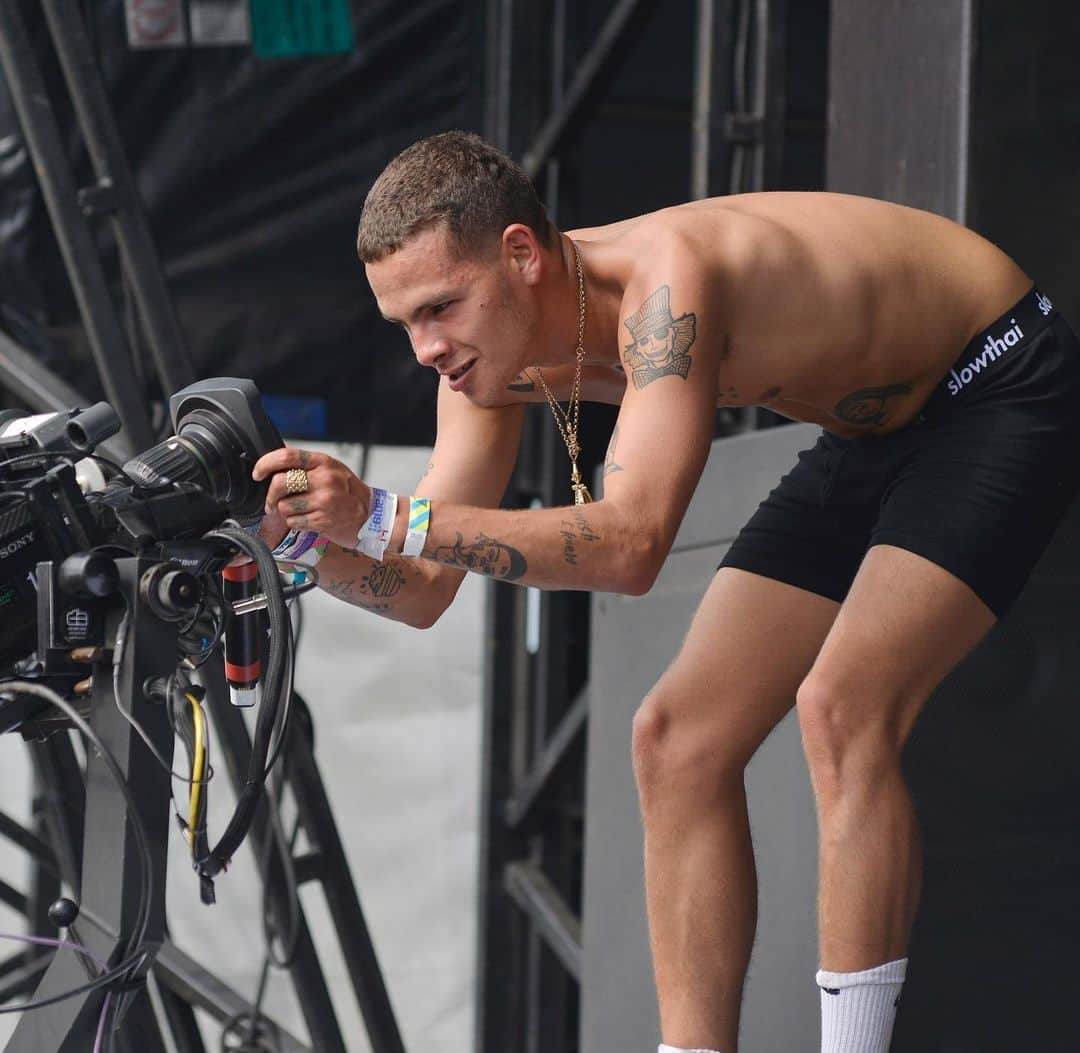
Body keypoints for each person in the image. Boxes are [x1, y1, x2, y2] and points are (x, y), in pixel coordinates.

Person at [250, 131, 1080, 1053]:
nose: (425, 348)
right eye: (403, 322)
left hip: (992, 376)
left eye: (440, 307)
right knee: (674, 739)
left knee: (841, 706)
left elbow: (633, 544)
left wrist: (381, 514)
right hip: (870, 434)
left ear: (522, 254)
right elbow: (423, 590)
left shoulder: (664, 279)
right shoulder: (480, 367)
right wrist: (297, 550)